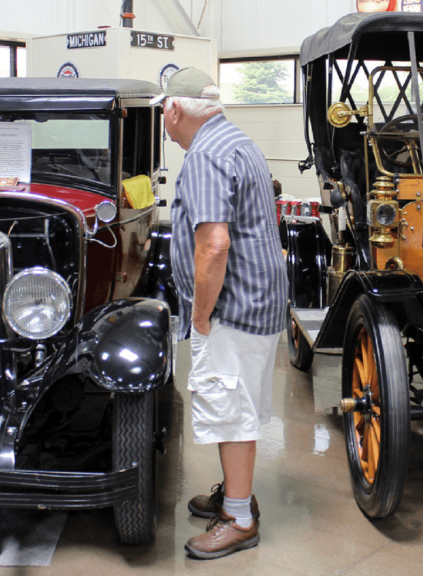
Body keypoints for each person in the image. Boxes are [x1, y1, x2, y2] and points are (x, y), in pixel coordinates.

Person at [150, 67, 288, 560]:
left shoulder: (205, 154)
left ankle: (238, 519)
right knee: (239, 403)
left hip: (231, 305)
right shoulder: (235, 139)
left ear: (174, 110)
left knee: (230, 410)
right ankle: (236, 491)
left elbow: (212, 244)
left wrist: (201, 315)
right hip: (258, 296)